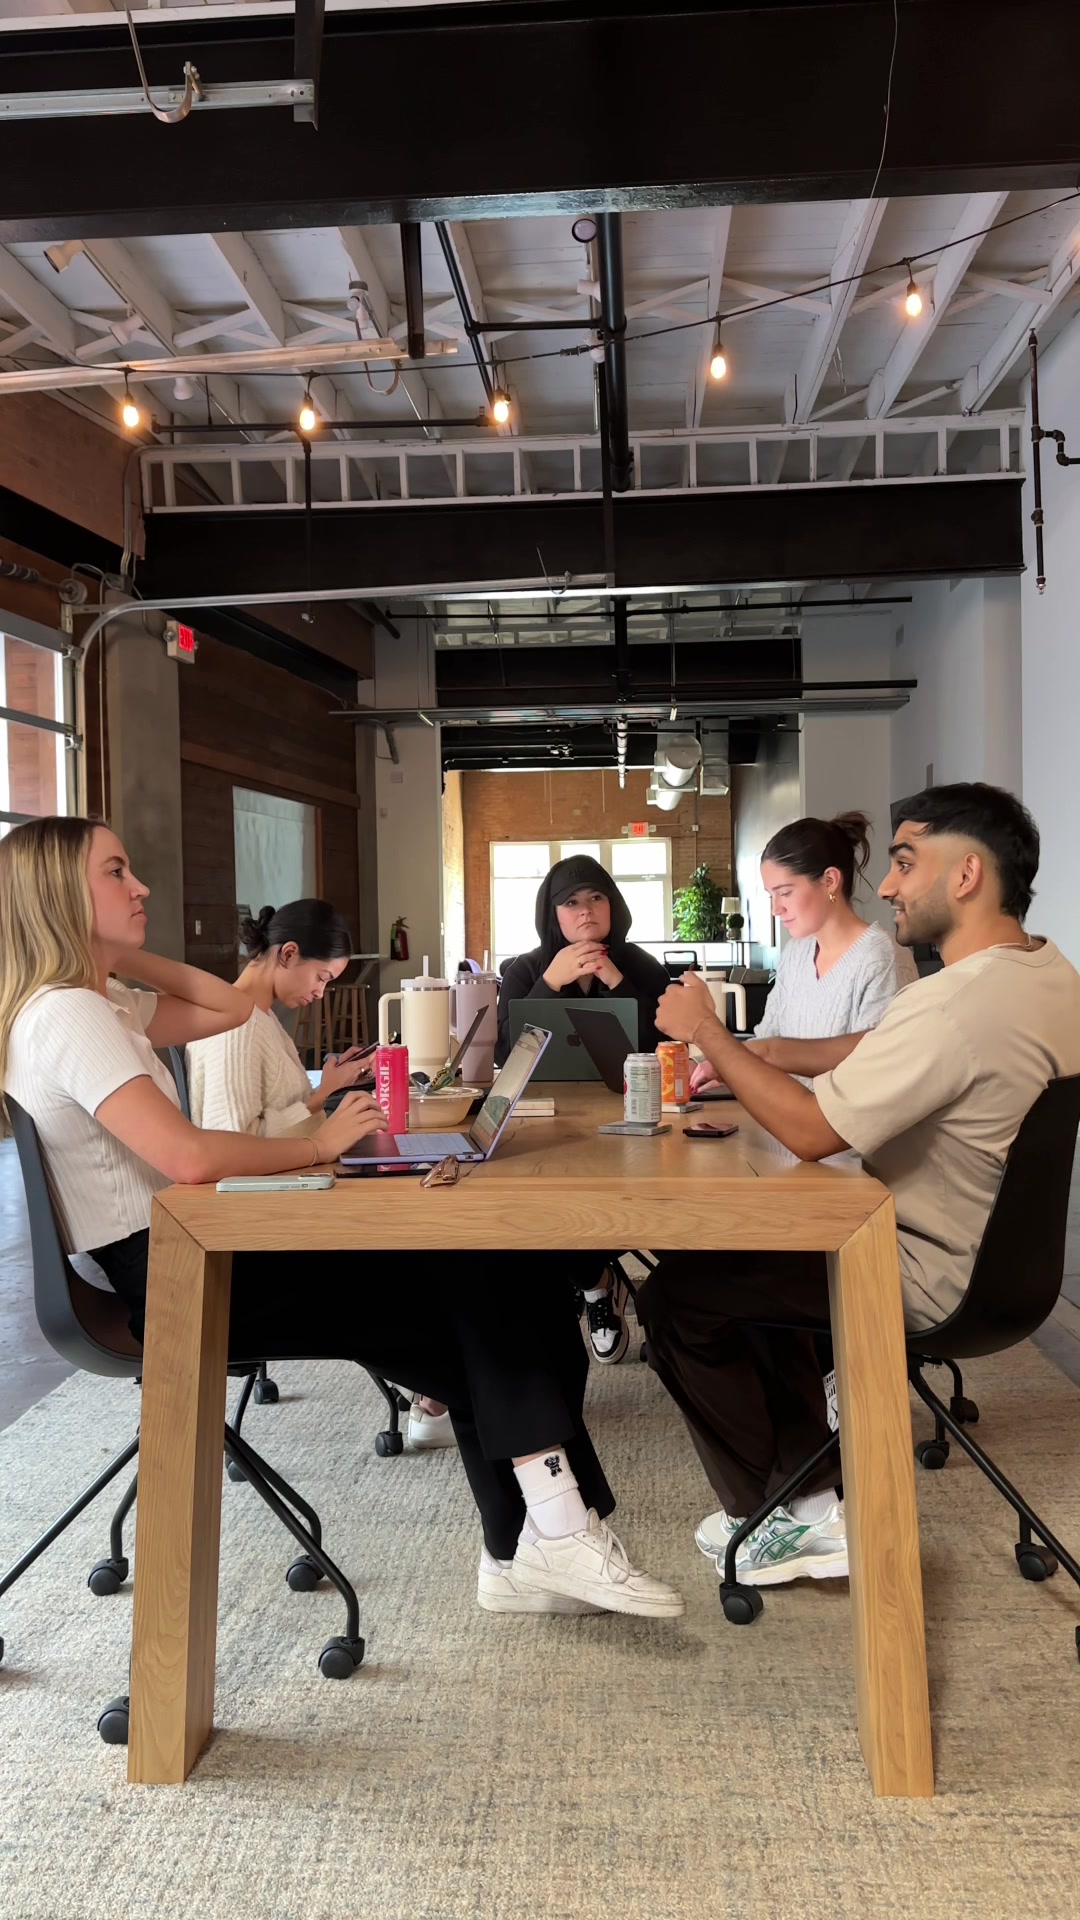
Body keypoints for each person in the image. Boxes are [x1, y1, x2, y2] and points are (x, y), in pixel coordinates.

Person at [0, 817, 683, 1621]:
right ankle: (550, 1536)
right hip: (184, 1270)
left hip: (200, 1241)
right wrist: (319, 1144)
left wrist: (105, 951)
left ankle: (532, 1545)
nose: (140, 885)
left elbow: (229, 1004)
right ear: (58, 895)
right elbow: (185, 1154)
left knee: (493, 1294)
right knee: (483, 1273)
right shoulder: (68, 1015)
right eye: (116, 872)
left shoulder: (97, 1002)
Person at [644, 783, 1080, 1590]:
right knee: (756, 1263)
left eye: (907, 862)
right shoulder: (1050, 974)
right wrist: (764, 1053)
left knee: (680, 1298)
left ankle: (788, 1511)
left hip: (919, 1272)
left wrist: (705, 1030)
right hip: (1005, 1275)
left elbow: (814, 1133)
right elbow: (876, 1057)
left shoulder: (949, 1005)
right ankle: (807, 1494)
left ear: (967, 875)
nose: (887, 885)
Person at [186, 896, 450, 1453]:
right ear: (287, 954)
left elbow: (265, 1116)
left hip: (288, 1188)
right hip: (264, 1217)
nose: (321, 992)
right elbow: (231, 1149)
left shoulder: (257, 1018)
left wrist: (325, 1091)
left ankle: (441, 1387)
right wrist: (325, 1137)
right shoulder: (237, 1024)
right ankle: (444, 1388)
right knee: (422, 1241)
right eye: (322, 977)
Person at [496, 853, 670, 1365]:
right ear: (554, 914)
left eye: (596, 897)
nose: (586, 910)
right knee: (540, 1201)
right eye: (571, 903)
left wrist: (617, 981)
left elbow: (665, 1047)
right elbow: (509, 1054)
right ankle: (596, 1283)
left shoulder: (642, 966)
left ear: (613, 905)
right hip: (553, 1121)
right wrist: (549, 984)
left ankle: (668, 1309)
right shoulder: (526, 969)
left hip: (638, 1119)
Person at [691, 812, 917, 1094]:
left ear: (830, 881)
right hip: (781, 1117)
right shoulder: (796, 953)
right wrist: (712, 1065)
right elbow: (767, 1038)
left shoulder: (881, 957)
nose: (775, 909)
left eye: (785, 893)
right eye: (771, 895)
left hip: (833, 1122)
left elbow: (875, 1071)